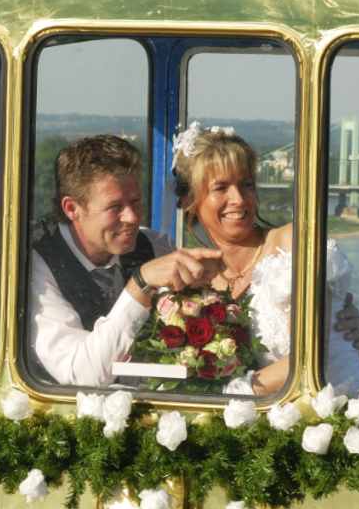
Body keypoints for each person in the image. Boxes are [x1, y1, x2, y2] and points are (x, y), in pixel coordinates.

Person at [171, 124, 359, 400]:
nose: (238, 199)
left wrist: (230, 395)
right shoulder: (198, 280)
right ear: (189, 201)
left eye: (245, 184)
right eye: (221, 188)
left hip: (340, 410)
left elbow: (308, 358)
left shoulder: (290, 245)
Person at [30, 134, 225, 387]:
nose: (132, 217)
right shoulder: (27, 266)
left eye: (136, 201)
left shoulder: (155, 246)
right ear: (72, 208)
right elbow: (81, 376)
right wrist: (140, 285)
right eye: (114, 207)